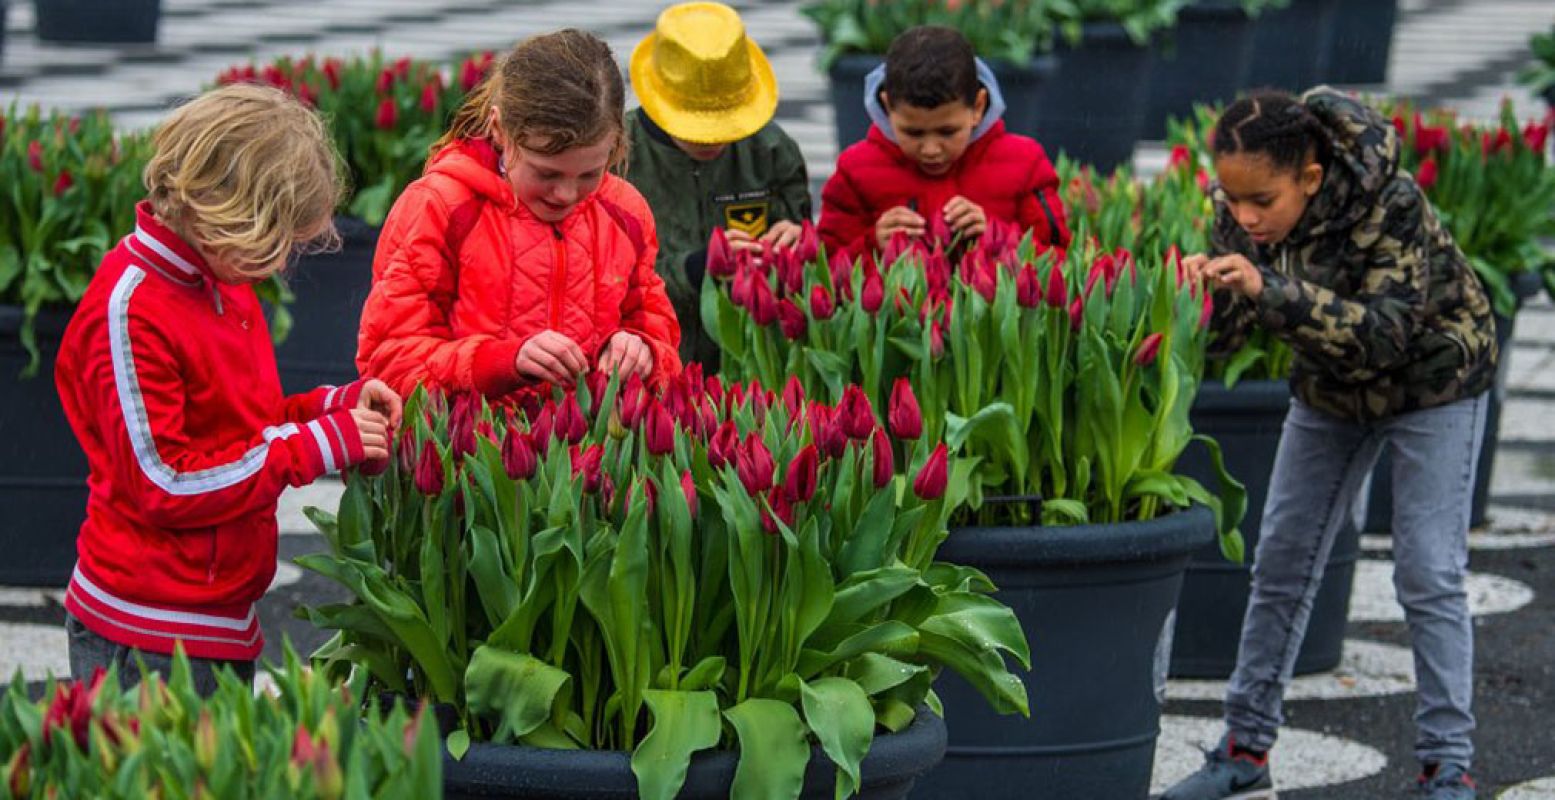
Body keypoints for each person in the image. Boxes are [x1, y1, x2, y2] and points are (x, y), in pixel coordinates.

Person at [1162, 88, 1497, 800]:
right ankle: (1244, 748)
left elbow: (1386, 336)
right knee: (1281, 558)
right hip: (1329, 391)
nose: (1243, 217)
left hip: (1433, 383)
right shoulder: (1240, 214)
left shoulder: (1391, 202)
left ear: (1309, 179)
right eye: (1231, 199)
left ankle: (1447, 764)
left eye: (1261, 201)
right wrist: (1200, 297)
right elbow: (1226, 337)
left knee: (1426, 572)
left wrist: (1269, 290)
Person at [54, 84, 401, 695]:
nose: (280, 262)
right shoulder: (134, 308)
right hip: (148, 627)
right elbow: (166, 483)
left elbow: (245, 428)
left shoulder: (217, 280)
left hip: (214, 615)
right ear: (228, 212)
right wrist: (314, 447)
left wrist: (334, 407)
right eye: (278, 241)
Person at [358, 29, 682, 401]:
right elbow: (387, 365)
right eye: (546, 173)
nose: (566, 194)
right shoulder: (440, 207)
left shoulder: (626, 211)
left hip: (595, 450)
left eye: (591, 173)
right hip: (471, 450)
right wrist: (500, 362)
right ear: (499, 130)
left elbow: (663, 341)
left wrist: (643, 351)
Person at [625, 1, 811, 370]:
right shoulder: (617, 155)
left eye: (728, 125)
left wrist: (796, 242)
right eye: (693, 125)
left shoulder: (771, 151)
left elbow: (802, 244)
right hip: (650, 357)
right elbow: (604, 274)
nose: (710, 140)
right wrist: (693, 268)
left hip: (748, 361)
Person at [817, 25, 1070, 261]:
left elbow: (1058, 258)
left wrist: (997, 237)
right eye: (913, 133)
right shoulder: (856, 171)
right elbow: (822, 268)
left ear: (978, 108)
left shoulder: (1024, 163)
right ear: (886, 106)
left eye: (947, 132)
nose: (931, 150)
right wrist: (874, 244)